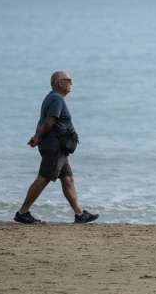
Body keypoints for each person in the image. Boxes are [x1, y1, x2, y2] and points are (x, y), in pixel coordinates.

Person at [14, 71, 99, 224]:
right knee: (43, 179)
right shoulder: (56, 98)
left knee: (68, 179)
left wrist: (36, 137)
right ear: (59, 83)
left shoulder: (51, 98)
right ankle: (22, 212)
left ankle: (79, 214)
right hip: (55, 147)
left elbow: (42, 122)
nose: (71, 83)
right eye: (69, 80)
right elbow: (49, 121)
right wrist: (37, 137)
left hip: (58, 148)